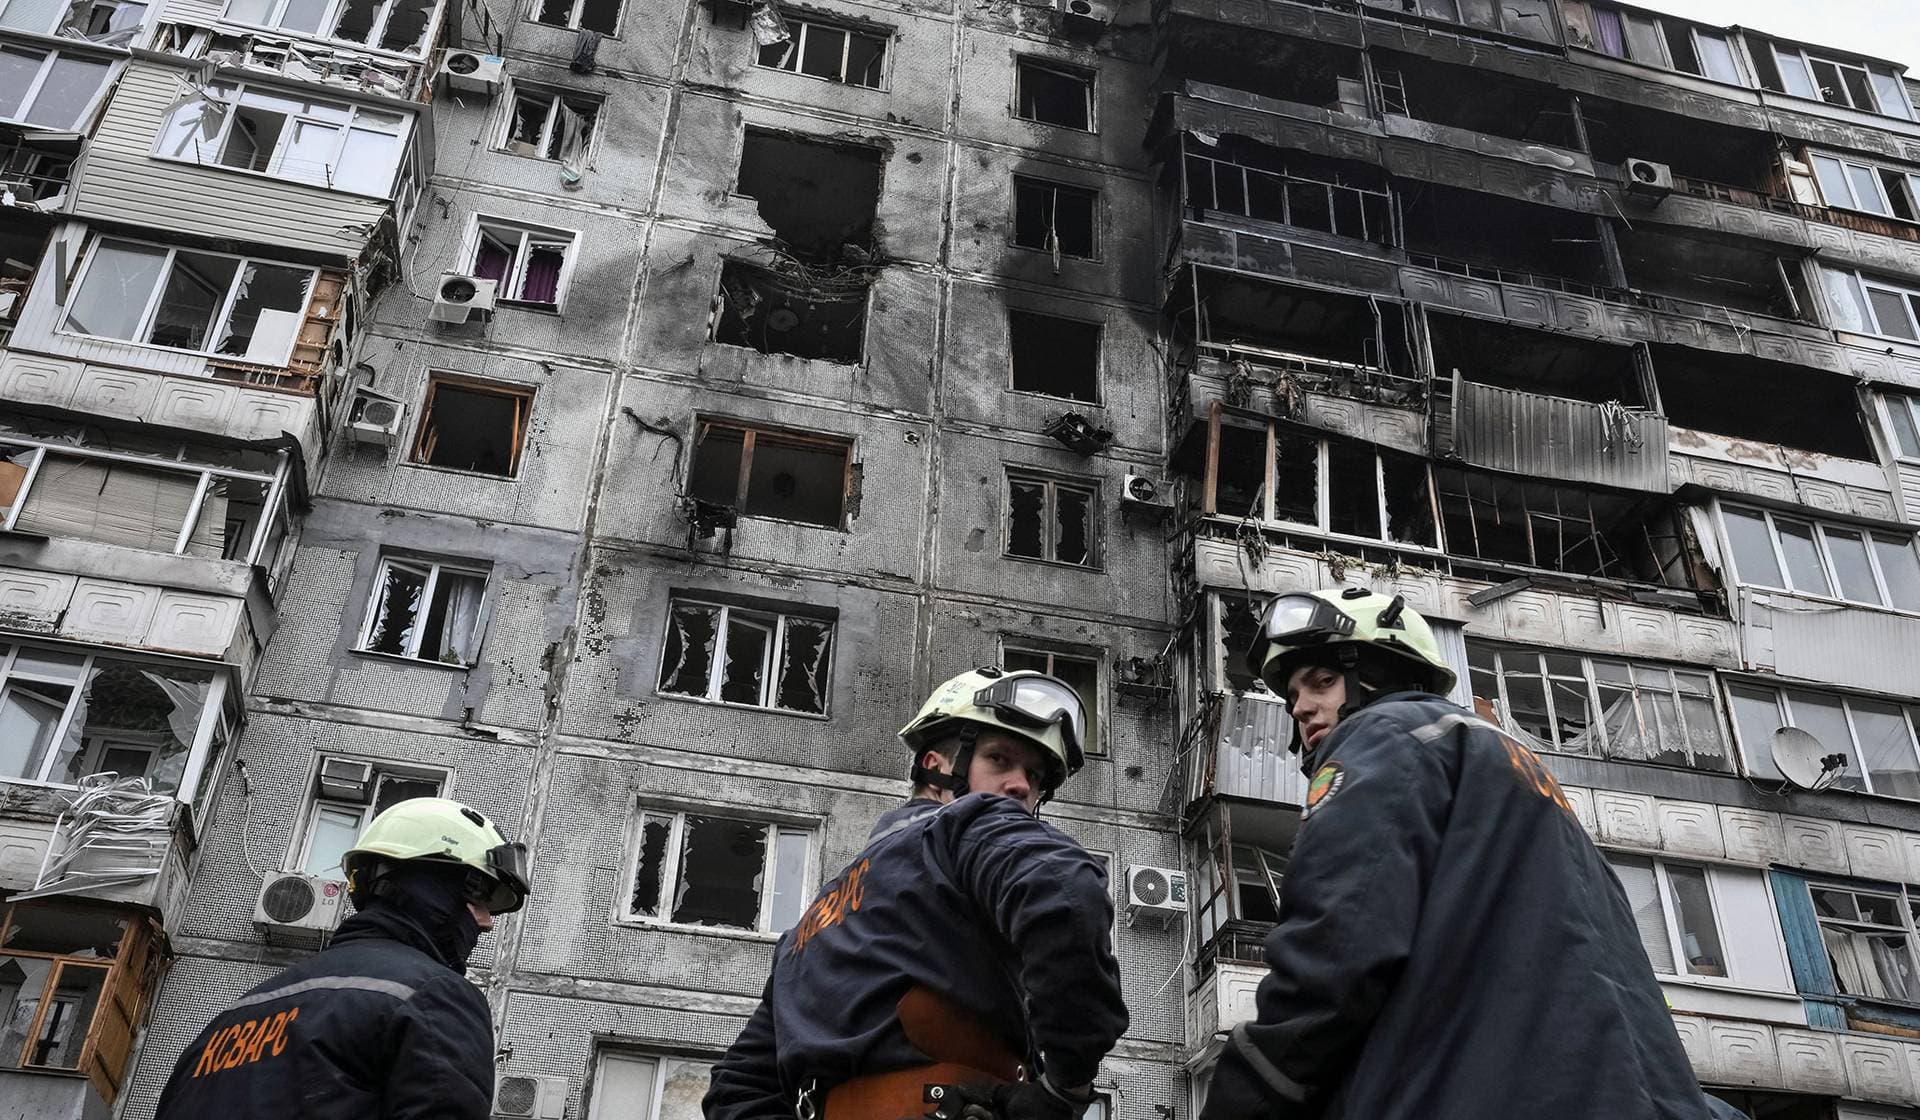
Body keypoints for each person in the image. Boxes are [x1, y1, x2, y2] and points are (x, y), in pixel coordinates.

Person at [1198, 587, 1743, 1120]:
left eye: (1322, 681)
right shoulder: (1527, 783)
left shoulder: (1385, 736)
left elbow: (1338, 941)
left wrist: (1249, 1090)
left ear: (1381, 672)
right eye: (1293, 696)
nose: (1302, 708)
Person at [704, 667, 1128, 1120]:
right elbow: (1067, 893)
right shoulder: (962, 831)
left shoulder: (808, 928)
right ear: (936, 766)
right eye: (999, 759)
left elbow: (737, 1088)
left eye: (1034, 775)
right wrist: (1064, 1088)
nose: (1022, 785)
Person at [154, 796, 531, 1120]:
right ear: (433, 887)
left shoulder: (228, 1021)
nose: (486, 922)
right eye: (481, 895)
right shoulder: (432, 997)